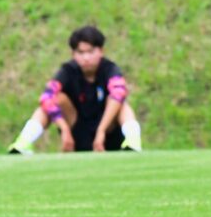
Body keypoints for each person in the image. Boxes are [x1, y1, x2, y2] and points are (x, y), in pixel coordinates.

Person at [8, 26, 143, 154]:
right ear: (73, 54)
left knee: (122, 104)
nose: (86, 58)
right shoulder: (68, 71)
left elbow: (119, 93)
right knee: (55, 100)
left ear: (101, 51)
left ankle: (133, 141)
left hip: (108, 134)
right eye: (81, 52)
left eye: (91, 52)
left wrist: (101, 130)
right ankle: (23, 143)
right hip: (78, 133)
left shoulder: (110, 69)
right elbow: (46, 97)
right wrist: (64, 128)